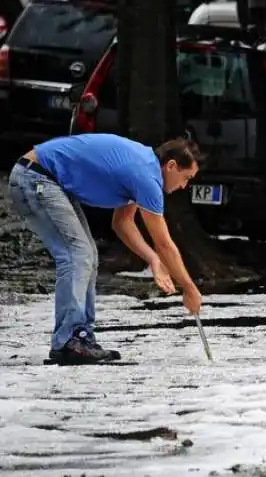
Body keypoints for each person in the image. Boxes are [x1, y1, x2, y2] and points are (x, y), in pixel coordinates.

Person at [7, 134, 204, 364]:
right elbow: (164, 243)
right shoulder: (146, 176)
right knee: (77, 255)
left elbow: (122, 223)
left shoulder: (142, 166)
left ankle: (81, 337)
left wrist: (153, 260)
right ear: (171, 166)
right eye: (186, 177)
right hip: (35, 177)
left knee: (87, 254)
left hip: (46, 180)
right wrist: (189, 289)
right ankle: (68, 340)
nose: (184, 186)